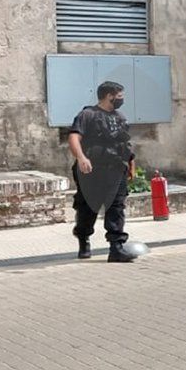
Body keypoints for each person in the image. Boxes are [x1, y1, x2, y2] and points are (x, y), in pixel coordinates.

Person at [68, 81, 139, 263]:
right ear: (109, 96)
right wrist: (81, 157)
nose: (122, 99)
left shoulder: (120, 117)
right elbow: (74, 136)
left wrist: (131, 164)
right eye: (120, 96)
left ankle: (116, 248)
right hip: (93, 171)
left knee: (116, 207)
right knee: (88, 208)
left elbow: (125, 144)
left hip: (115, 169)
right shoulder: (88, 115)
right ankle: (84, 239)